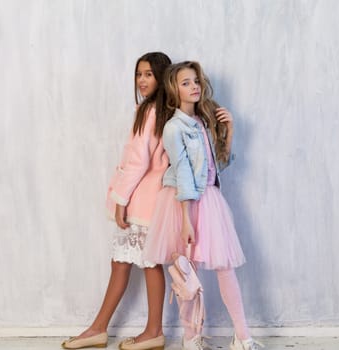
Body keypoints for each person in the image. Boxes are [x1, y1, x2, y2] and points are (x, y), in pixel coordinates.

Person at [143, 61, 263, 350]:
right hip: (184, 203)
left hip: (208, 199)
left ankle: (243, 337)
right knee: (188, 273)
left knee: (224, 267)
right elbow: (183, 174)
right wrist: (186, 220)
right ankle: (191, 337)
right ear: (174, 88)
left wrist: (229, 130)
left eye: (196, 81)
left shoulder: (203, 121)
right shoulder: (174, 127)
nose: (194, 86)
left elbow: (218, 164)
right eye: (185, 82)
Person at [62, 52, 171, 350]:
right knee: (135, 264)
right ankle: (111, 329)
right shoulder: (162, 112)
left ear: (162, 76)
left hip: (141, 201)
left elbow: (138, 161)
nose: (142, 80)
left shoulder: (149, 113)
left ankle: (145, 331)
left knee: (141, 265)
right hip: (154, 202)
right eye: (139, 74)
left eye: (149, 74)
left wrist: (120, 198)